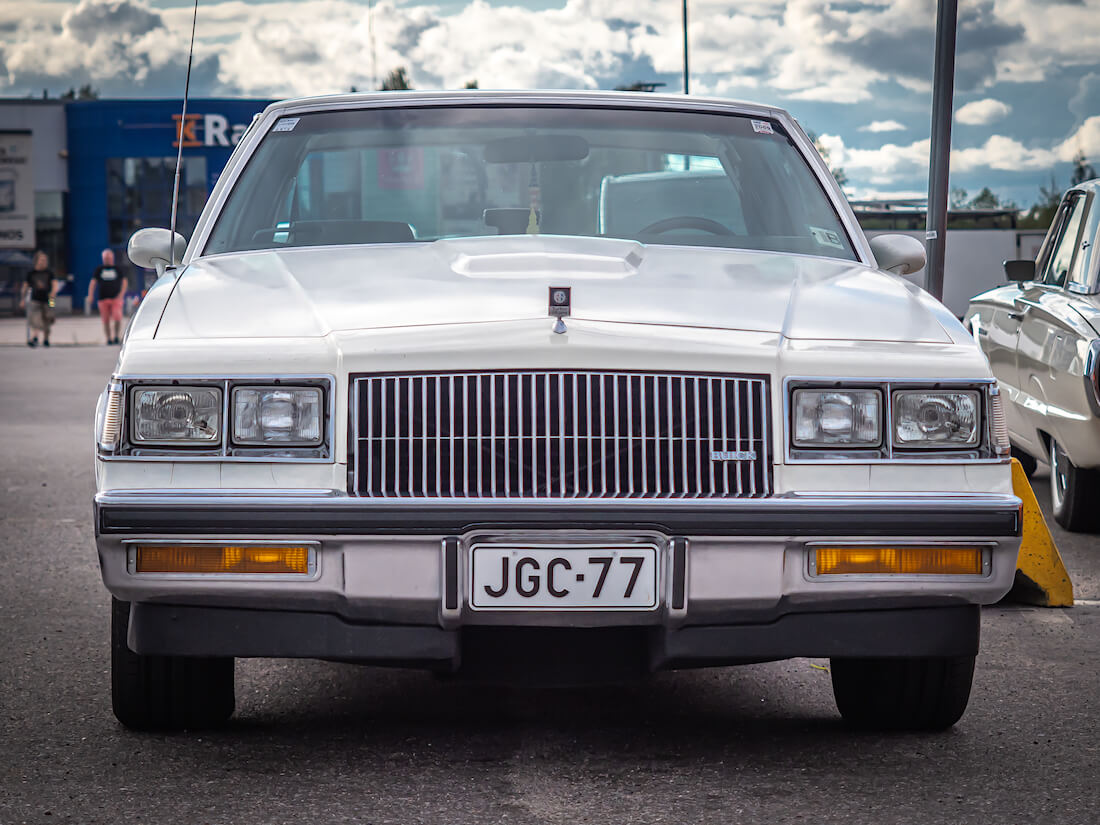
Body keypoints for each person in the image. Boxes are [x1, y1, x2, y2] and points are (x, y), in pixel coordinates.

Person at [86, 248, 127, 345]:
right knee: (106, 320)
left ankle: (116, 336)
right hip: (103, 298)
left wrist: (121, 294)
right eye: (105, 258)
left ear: (112, 258)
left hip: (116, 298)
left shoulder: (118, 269)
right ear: (103, 259)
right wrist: (90, 295)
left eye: (109, 257)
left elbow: (124, 282)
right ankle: (109, 338)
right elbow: (93, 283)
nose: (107, 259)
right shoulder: (99, 270)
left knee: (117, 317)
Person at [21, 250, 59, 348]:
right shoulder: (31, 273)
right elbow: (25, 286)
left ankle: (46, 339)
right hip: (35, 300)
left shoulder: (49, 273)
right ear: (37, 261)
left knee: (49, 318)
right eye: (42, 260)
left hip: (50, 299)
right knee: (36, 319)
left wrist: (53, 293)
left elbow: (55, 285)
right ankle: (34, 337)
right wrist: (22, 299)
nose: (44, 262)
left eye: (45, 260)